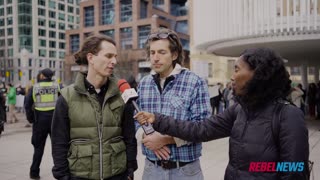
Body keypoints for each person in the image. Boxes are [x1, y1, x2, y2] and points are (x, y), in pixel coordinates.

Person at [135, 48, 310, 180]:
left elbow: (294, 169)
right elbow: (200, 129)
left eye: (236, 69)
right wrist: (158, 119)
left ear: (258, 74)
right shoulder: (239, 110)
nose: (232, 77)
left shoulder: (288, 115)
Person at [51, 34, 137, 180]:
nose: (114, 61)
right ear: (91, 58)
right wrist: (62, 176)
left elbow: (129, 137)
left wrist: (130, 170)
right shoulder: (67, 97)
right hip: (80, 175)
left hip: (117, 174)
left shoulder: (122, 94)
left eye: (115, 56)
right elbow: (59, 141)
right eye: (108, 56)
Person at [135, 28, 211, 180]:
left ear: (174, 55)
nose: (155, 58)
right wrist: (147, 137)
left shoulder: (194, 82)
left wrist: (166, 140)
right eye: (152, 52)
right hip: (151, 169)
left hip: (184, 170)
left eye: (161, 52)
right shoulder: (144, 84)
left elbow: (203, 127)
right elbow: (136, 120)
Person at [24, 68, 61, 179]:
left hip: (39, 121)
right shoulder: (57, 86)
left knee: (38, 149)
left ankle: (34, 173)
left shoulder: (35, 87)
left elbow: (27, 104)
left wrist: (30, 119)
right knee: (57, 148)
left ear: (42, 76)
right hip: (55, 121)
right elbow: (64, 103)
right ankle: (59, 172)